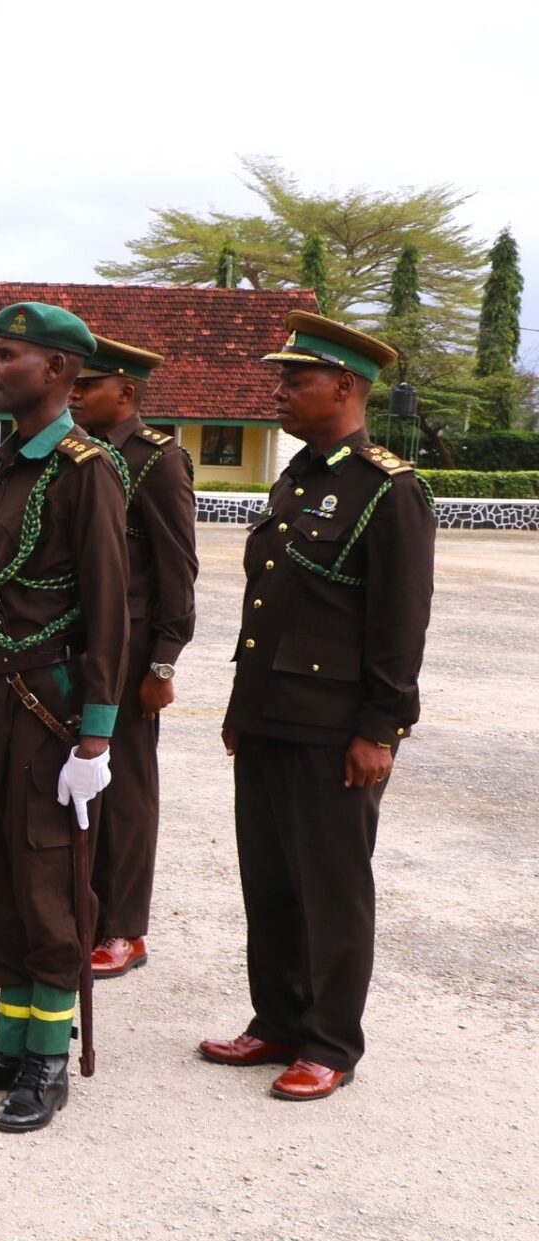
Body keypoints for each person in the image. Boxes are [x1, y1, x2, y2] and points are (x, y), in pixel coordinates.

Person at [199, 312, 435, 1102]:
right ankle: (277, 1020)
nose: (280, 393)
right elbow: (268, 608)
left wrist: (381, 728)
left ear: (344, 385)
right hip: (271, 715)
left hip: (335, 729)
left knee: (331, 887)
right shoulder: (298, 478)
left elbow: (399, 623)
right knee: (267, 880)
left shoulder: (387, 489)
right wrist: (242, 707)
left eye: (294, 381)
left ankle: (330, 1041)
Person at [0, 302, 128, 1133]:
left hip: (43, 709)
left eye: (8, 355)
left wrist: (97, 735)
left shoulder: (84, 469)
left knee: (46, 880)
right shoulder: (1, 464)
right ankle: (11, 1040)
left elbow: (111, 606)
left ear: (57, 371)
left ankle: (48, 1059)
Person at [68, 336, 197, 979]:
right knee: (76, 783)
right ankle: (81, 910)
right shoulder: (80, 457)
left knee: (127, 790)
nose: (75, 394)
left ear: (126, 392)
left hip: (135, 647)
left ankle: (124, 929)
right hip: (81, 640)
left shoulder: (157, 460)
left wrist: (164, 662)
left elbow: (178, 569)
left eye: (88, 385)